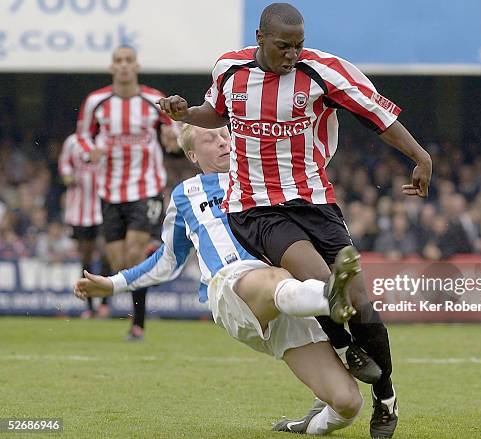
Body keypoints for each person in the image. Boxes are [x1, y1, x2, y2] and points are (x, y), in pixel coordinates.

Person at [158, 3, 433, 438]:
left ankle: (386, 397)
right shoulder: (229, 69)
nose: (292, 55)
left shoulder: (322, 72)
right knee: (321, 279)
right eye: (284, 47)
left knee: (358, 297)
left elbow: (376, 117)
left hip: (315, 200)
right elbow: (215, 112)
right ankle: (344, 345)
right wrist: (185, 114)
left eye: (298, 46)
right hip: (256, 207)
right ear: (261, 38)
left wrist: (419, 156)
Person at [73, 124, 362, 435]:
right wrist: (114, 283)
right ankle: (331, 296)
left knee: (348, 403)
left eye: (225, 135)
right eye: (210, 139)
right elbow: (168, 261)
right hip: (230, 289)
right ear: (193, 155)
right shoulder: (186, 194)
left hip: (288, 296)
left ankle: (307, 426)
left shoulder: (263, 177)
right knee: (273, 278)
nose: (223, 142)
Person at [76, 45, 178, 340]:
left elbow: (173, 131)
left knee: (133, 254)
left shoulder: (151, 99)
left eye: (128, 61)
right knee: (120, 263)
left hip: (146, 187)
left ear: (137, 66)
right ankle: (156, 258)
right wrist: (90, 152)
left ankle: (138, 324)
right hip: (109, 190)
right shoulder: (96, 101)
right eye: (118, 61)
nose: (123, 66)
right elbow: (82, 136)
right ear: (112, 67)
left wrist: (171, 137)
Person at [59, 133, 111, 318]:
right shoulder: (72, 142)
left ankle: (105, 302)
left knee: (106, 254)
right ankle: (89, 306)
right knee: (86, 256)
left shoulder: (108, 139)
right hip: (80, 210)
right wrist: (68, 176)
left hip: (104, 207)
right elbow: (64, 165)